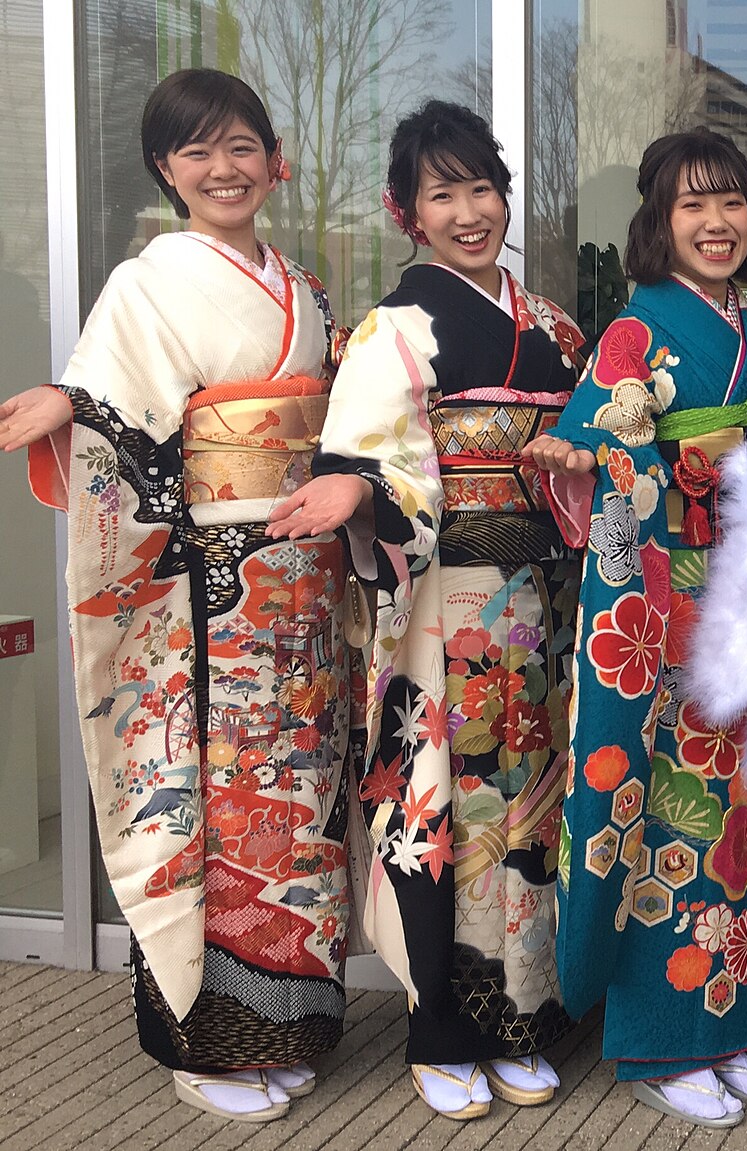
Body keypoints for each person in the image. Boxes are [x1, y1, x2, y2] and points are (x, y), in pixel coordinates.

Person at [0, 68, 348, 1121]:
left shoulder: (305, 286)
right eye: (197, 151)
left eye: (241, 146)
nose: (222, 168)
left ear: (274, 159)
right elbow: (121, 408)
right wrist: (74, 403)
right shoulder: (146, 282)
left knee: (300, 804)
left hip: (305, 587)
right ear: (166, 168)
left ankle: (285, 1025)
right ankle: (205, 1039)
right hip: (210, 591)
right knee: (216, 802)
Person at [526, 127, 747, 1128]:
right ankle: (663, 1037)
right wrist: (596, 461)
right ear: (659, 222)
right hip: (671, 600)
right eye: (691, 204)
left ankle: (739, 1018)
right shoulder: (636, 330)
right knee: (673, 813)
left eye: (730, 201)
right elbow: (595, 440)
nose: (715, 222)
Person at [310, 99, 584, 1120]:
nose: (469, 213)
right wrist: (356, 491)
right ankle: (440, 1026)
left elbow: (591, 453)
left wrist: (573, 468)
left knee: (531, 801)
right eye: (442, 195)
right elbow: (368, 455)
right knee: (441, 800)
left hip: (540, 603)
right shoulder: (393, 328)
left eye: (482, 189)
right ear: (406, 213)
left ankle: (520, 1015)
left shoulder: (555, 329)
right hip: (440, 597)